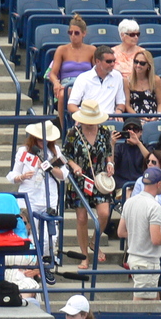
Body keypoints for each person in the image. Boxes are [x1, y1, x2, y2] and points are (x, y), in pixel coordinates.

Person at [62, 101, 114, 270]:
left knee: (104, 213)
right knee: (82, 218)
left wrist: (110, 164)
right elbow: (64, 155)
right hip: (80, 180)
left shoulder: (105, 132)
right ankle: (84, 256)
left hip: (99, 178)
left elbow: (108, 153)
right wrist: (74, 166)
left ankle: (94, 241)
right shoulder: (73, 133)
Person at [7, 120, 65, 263]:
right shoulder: (23, 151)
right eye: (40, 139)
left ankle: (41, 263)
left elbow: (63, 175)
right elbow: (12, 175)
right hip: (28, 196)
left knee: (47, 236)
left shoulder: (55, 151)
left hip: (48, 197)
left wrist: (49, 167)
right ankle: (28, 263)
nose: (42, 142)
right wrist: (21, 177)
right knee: (26, 231)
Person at [118, 167, 161, 301]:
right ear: (158, 184)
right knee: (142, 305)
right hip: (147, 261)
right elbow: (156, 240)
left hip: (134, 258)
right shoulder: (155, 206)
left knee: (153, 300)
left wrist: (143, 232)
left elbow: (121, 232)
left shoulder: (130, 202)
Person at [46, 14, 95, 122]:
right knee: (63, 95)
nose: (73, 35)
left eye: (76, 33)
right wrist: (56, 83)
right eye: (70, 32)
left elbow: (96, 71)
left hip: (86, 83)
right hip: (67, 83)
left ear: (83, 34)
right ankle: (64, 130)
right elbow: (53, 73)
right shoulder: (62, 50)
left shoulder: (91, 50)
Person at [67, 46, 128, 117]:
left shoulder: (117, 76)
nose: (112, 64)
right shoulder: (83, 78)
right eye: (108, 61)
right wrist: (83, 115)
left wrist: (119, 111)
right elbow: (71, 105)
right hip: (88, 119)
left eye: (114, 61)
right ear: (98, 61)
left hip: (109, 118)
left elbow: (121, 102)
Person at [123, 48, 161, 119]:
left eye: (142, 63)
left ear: (148, 65)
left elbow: (160, 103)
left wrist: (157, 116)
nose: (138, 65)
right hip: (135, 117)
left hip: (154, 115)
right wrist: (140, 117)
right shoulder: (127, 81)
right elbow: (127, 105)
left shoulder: (156, 80)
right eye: (136, 62)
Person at [111, 121, 148, 195]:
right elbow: (111, 165)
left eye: (135, 130)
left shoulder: (145, 147)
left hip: (142, 185)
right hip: (123, 185)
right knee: (127, 195)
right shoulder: (119, 148)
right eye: (128, 129)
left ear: (141, 132)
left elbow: (152, 161)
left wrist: (138, 143)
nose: (132, 132)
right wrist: (112, 145)